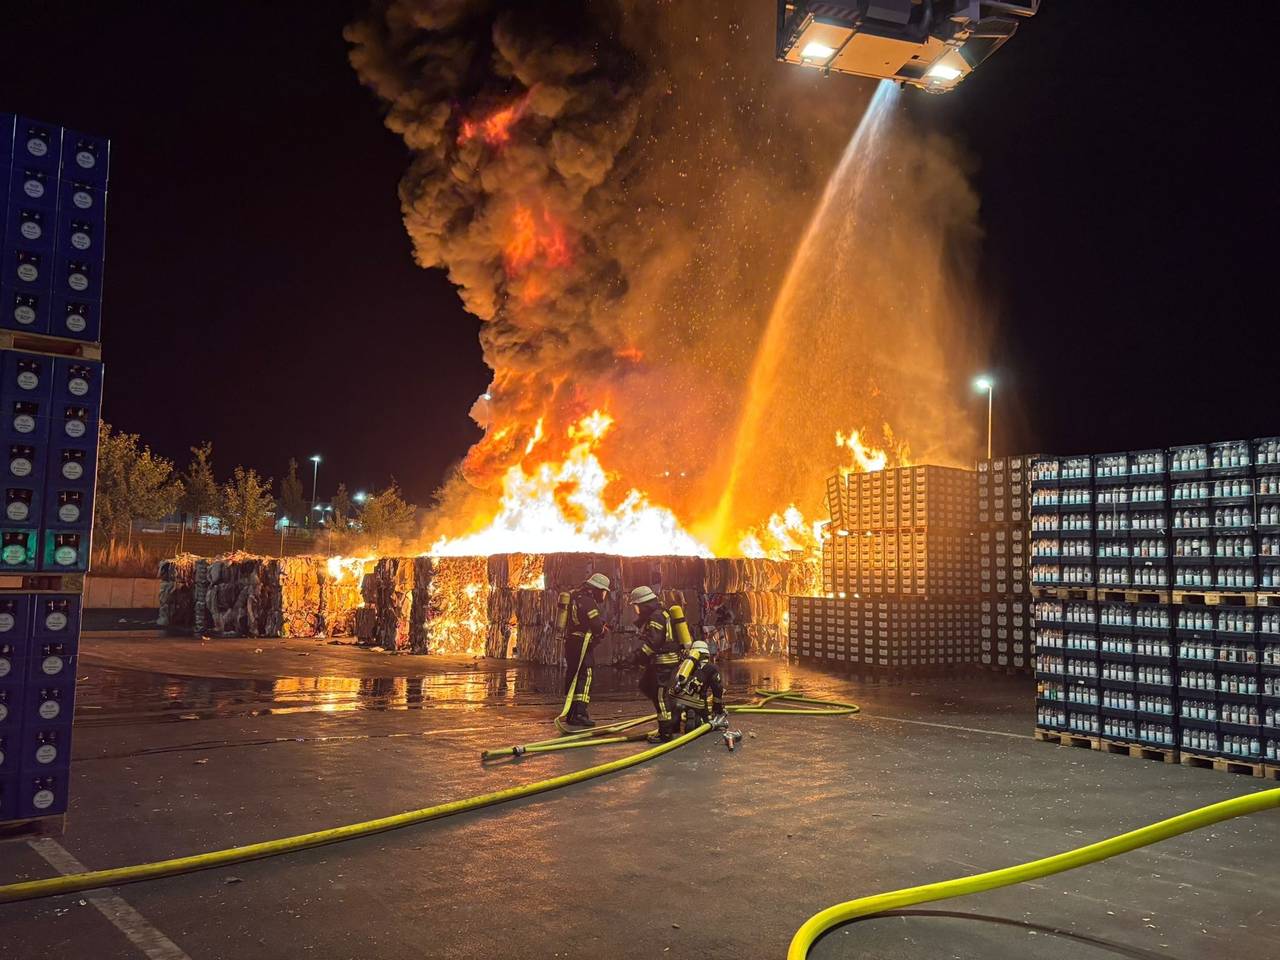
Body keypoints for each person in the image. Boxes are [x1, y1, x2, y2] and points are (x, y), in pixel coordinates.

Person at [627, 585, 685, 742]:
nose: (637, 610)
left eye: (637, 606)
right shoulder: (662, 612)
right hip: (665, 661)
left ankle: (665, 732)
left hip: (663, 663)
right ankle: (674, 718)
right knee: (646, 686)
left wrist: (637, 657)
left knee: (660, 697)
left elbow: (654, 642)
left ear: (644, 605)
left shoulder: (656, 617)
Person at [559, 573, 611, 729]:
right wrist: (602, 630)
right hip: (582, 643)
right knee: (585, 675)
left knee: (573, 675)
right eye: (603, 591)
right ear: (597, 589)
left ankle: (571, 713)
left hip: (571, 642)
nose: (604, 595)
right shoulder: (588, 601)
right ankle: (580, 713)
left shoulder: (574, 596)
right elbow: (595, 626)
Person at [668, 638, 727, 733]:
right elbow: (717, 690)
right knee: (704, 723)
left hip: (675, 699)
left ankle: (674, 725)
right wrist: (717, 708)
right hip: (696, 702)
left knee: (673, 724)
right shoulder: (711, 667)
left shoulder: (684, 665)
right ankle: (694, 717)